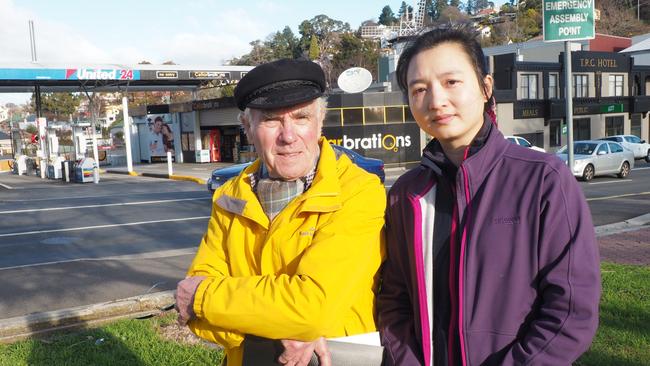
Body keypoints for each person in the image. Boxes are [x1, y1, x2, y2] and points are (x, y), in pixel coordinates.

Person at [377, 26, 600, 365]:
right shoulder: (406, 194)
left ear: (485, 88)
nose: (436, 101)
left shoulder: (543, 179)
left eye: (452, 82)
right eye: (419, 89)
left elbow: (570, 310)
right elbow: (394, 299)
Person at [175, 58, 386, 366]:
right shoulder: (230, 196)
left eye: (301, 117)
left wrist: (205, 300)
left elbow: (313, 307)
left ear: (319, 123)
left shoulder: (357, 191)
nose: (288, 135)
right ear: (247, 128)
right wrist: (288, 322)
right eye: (271, 120)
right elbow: (196, 318)